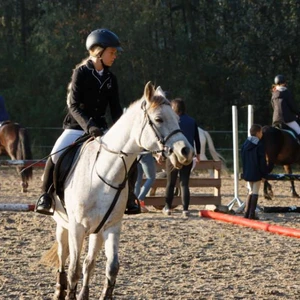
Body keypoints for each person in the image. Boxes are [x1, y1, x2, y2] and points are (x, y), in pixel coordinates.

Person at [35, 28, 140, 215]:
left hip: (102, 129)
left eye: (115, 53)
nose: (114, 56)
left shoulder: (110, 78)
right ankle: (46, 195)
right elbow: (73, 106)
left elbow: (115, 109)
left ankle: (130, 197)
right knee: (55, 154)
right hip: (77, 126)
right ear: (98, 51)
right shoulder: (80, 73)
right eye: (112, 52)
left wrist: (123, 132)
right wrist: (89, 125)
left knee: (129, 157)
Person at [162, 98, 201, 218]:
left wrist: (161, 154)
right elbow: (197, 139)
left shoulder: (172, 121)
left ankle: (168, 207)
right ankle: (185, 209)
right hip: (188, 154)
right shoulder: (192, 121)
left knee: (171, 183)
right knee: (184, 183)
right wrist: (198, 154)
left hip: (174, 154)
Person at [241, 124, 269, 219]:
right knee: (255, 192)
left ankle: (246, 213)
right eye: (261, 132)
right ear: (257, 133)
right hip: (257, 172)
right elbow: (262, 161)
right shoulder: (259, 145)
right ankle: (252, 214)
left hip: (247, 171)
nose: (262, 134)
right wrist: (264, 174)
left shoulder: (245, 144)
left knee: (250, 191)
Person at [271, 74, 300, 144]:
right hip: (287, 120)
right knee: (299, 131)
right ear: (284, 83)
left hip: (276, 120)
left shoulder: (274, 94)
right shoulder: (286, 93)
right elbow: (292, 106)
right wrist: (298, 113)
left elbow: (273, 107)